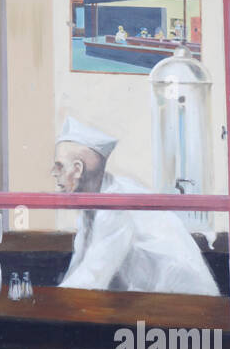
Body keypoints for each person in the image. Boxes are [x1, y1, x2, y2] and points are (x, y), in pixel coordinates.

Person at [51, 115, 219, 295]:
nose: (53, 173)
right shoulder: (95, 203)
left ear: (78, 170)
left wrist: (50, 302)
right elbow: (80, 267)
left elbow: (93, 277)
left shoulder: (114, 206)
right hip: (156, 301)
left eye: (59, 166)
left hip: (188, 306)